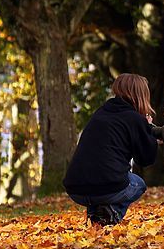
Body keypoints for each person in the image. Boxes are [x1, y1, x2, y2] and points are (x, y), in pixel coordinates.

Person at [64, 74, 158, 226]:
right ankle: (111, 214)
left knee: (104, 180)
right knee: (138, 184)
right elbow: (146, 159)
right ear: (142, 94)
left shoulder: (100, 113)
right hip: (107, 187)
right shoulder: (134, 119)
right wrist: (147, 130)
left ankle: (96, 217)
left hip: (75, 188)